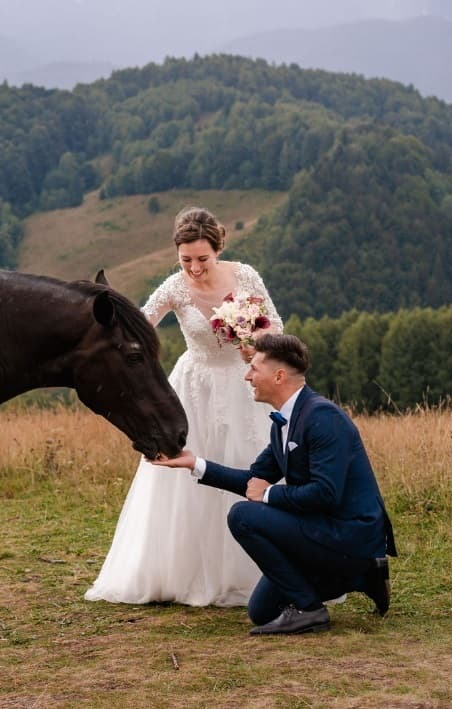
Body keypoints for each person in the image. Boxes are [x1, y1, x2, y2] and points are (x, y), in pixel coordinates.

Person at [84, 206, 283, 606]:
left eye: (202, 259)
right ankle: (179, 572)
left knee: (248, 463)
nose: (193, 267)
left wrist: (254, 344)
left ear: (218, 249)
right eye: (185, 259)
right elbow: (138, 323)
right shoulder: (174, 287)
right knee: (185, 477)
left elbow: (276, 327)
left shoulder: (244, 276)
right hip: (194, 387)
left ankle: (254, 570)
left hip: (243, 386)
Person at [152, 333, 397, 634]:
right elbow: (251, 481)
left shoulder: (323, 417)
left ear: (279, 376)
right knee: (261, 611)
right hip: (319, 528)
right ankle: (364, 576)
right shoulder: (283, 422)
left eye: (254, 368)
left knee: (242, 516)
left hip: (349, 532)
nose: (247, 376)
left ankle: (311, 609)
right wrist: (195, 463)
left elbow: (326, 494)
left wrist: (268, 494)